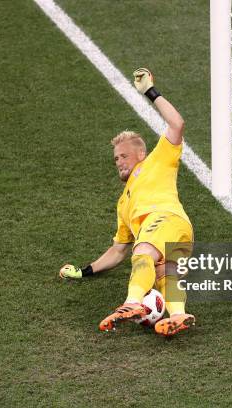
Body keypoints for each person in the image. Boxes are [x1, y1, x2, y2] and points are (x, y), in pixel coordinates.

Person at [59, 68, 195, 336]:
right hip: (180, 232)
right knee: (164, 271)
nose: (119, 161)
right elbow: (117, 251)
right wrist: (84, 271)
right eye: (115, 159)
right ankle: (178, 315)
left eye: (123, 155)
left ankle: (132, 303)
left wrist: (149, 92)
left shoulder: (157, 160)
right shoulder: (124, 204)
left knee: (143, 251)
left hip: (166, 218)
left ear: (141, 153)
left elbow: (177, 124)